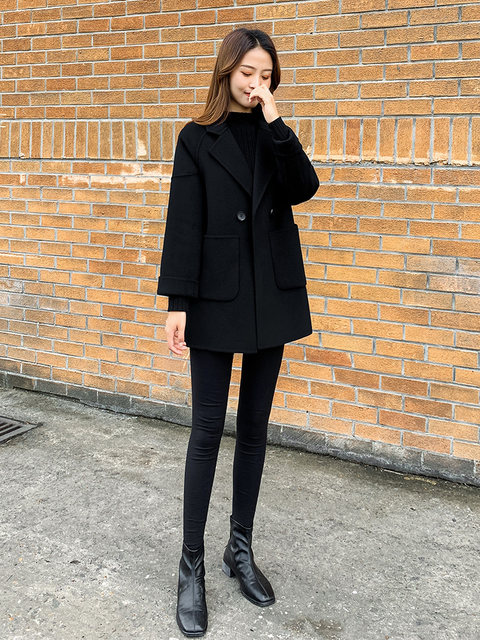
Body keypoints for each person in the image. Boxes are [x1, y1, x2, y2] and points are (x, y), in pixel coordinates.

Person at [156, 27, 319, 638]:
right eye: (248, 72)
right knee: (206, 431)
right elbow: (183, 222)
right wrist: (178, 302)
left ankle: (240, 550)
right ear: (226, 71)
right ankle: (191, 566)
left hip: (270, 295)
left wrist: (276, 122)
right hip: (215, 296)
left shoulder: (274, 134)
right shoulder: (197, 138)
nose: (256, 83)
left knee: (254, 429)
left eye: (267, 75)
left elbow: (304, 188)